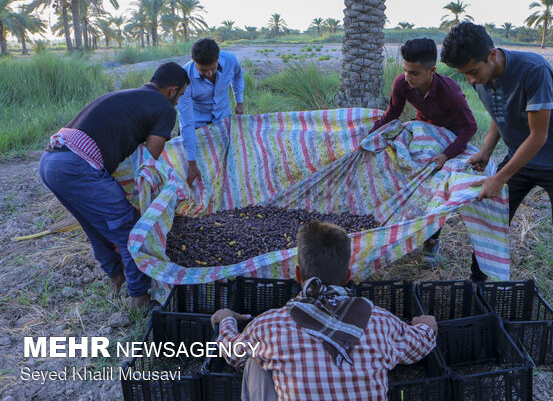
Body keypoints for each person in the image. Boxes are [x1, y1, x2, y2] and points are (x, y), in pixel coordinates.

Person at [441, 22, 553, 352]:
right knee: (489, 218)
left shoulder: (534, 70)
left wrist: (499, 178)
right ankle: (477, 287)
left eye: (472, 71)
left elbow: (538, 136)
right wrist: (486, 152)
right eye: (464, 74)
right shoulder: (480, 75)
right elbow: (502, 118)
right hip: (520, 160)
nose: (470, 80)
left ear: (491, 54)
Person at [211, 221, 437, 401]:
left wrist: (226, 320)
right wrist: (426, 324)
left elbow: (233, 354)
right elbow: (421, 345)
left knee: (254, 361)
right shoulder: (379, 321)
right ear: (349, 277)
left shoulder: (269, 326)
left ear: (298, 276)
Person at [39, 62, 190, 311]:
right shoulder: (164, 107)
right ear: (173, 90)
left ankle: (116, 278)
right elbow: (148, 161)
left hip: (51, 161)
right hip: (76, 166)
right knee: (130, 227)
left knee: (93, 224)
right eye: (180, 96)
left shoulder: (129, 95)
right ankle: (139, 297)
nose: (176, 102)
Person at [370, 38, 478, 265]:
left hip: (449, 139)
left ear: (432, 71)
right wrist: (371, 133)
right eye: (405, 70)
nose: (408, 77)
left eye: (415, 73)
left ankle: (431, 241)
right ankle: (397, 229)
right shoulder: (402, 84)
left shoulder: (450, 93)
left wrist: (446, 155)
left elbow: (470, 127)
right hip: (423, 133)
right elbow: (393, 113)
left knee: (435, 189)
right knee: (398, 172)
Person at [178, 38, 245, 186]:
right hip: (196, 124)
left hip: (222, 119)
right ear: (193, 60)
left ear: (218, 57)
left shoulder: (230, 60)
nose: (209, 74)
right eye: (203, 70)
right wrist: (192, 164)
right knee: (197, 170)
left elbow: (238, 76)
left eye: (213, 69)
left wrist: (238, 102)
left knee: (225, 166)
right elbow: (187, 123)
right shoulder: (184, 78)